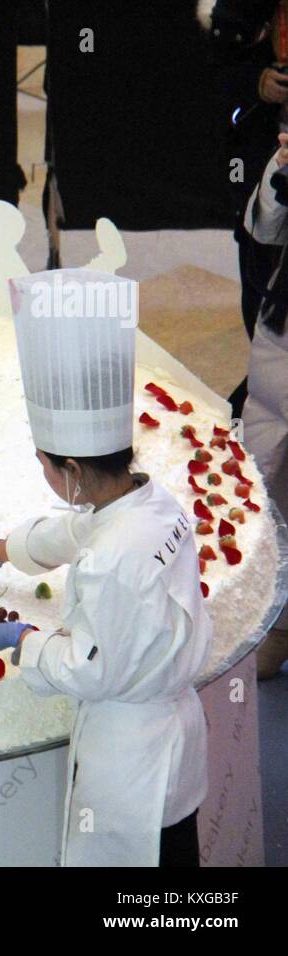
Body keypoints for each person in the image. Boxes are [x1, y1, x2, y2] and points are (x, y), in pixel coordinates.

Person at [0, 269, 211, 867]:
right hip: (177, 740)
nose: (45, 473)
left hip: (131, 760)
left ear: (72, 471)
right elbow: (76, 529)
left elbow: (92, 669)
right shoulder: (150, 501)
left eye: (46, 464)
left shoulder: (112, 562)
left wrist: (22, 639)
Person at [201, 0, 288, 417]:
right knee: (263, 296)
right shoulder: (241, 12)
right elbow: (208, 76)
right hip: (261, 167)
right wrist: (256, 83)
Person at [236, 132, 288, 678]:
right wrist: (279, 167)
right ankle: (272, 621)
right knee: (265, 484)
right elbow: (262, 228)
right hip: (278, 341)